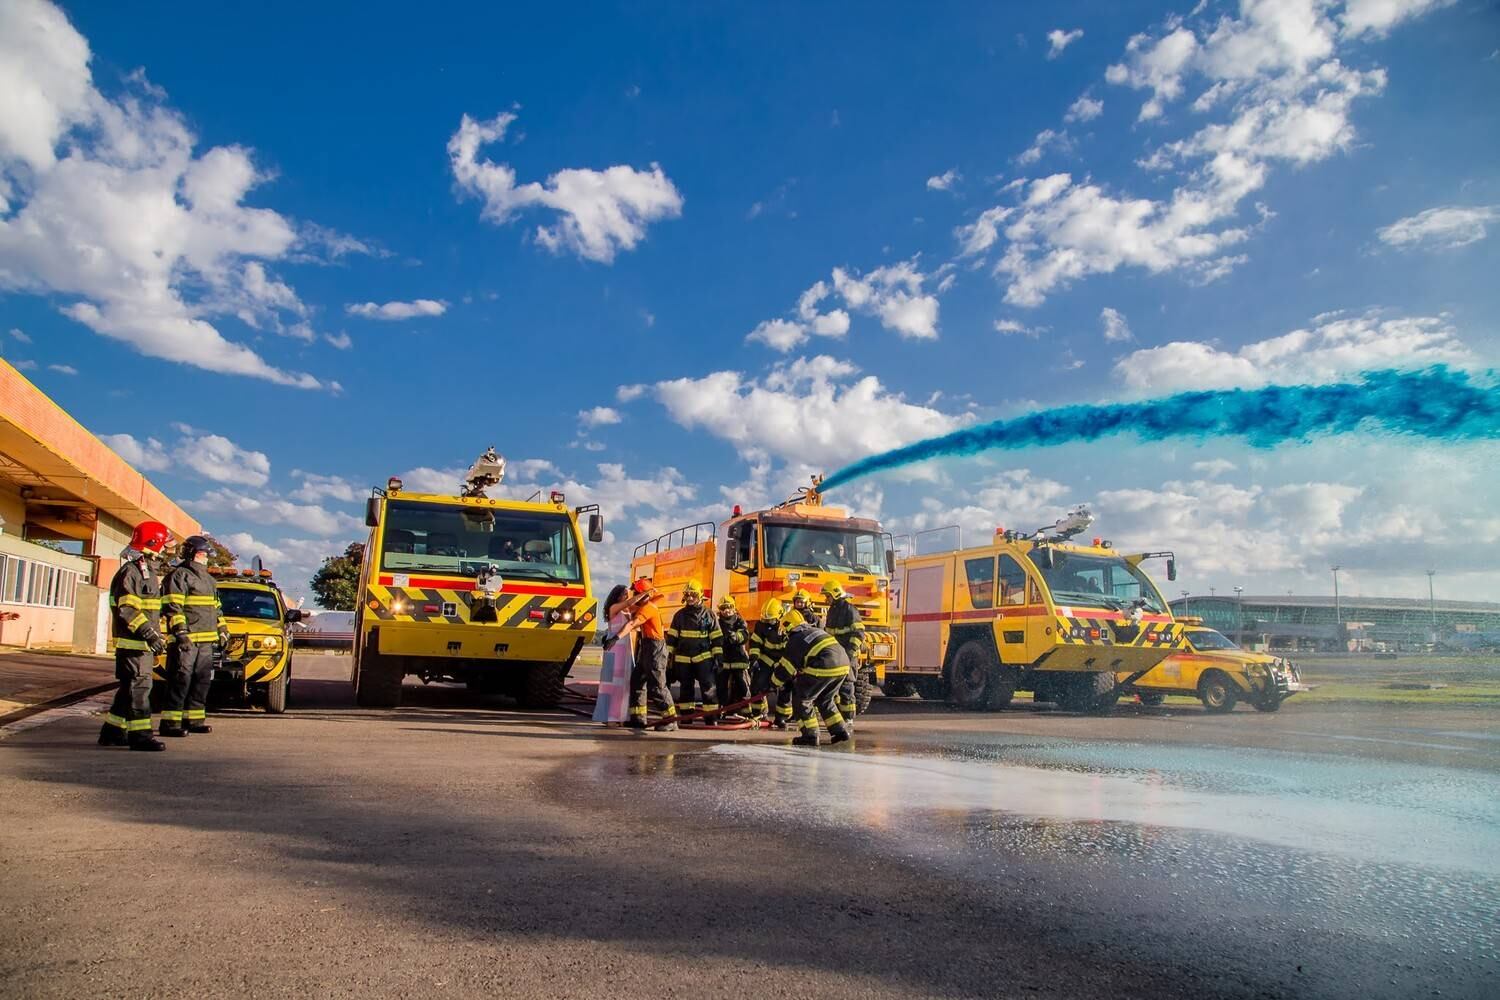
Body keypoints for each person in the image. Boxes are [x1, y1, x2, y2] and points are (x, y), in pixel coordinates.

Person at [99, 521, 171, 751]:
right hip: (135, 643)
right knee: (140, 689)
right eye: (164, 544)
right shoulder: (133, 572)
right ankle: (140, 735)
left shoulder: (146, 571)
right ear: (153, 543)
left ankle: (112, 730)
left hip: (140, 643)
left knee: (129, 688)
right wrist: (150, 634)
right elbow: (127, 609)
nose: (166, 549)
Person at [159, 535, 229, 737]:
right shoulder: (179, 576)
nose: (206, 558)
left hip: (206, 642)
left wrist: (223, 630)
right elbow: (173, 607)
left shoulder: (209, 580)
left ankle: (195, 720)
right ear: (195, 553)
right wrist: (180, 633)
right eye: (204, 554)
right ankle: (170, 724)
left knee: (202, 680)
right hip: (186, 640)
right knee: (180, 679)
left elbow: (216, 609)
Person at [771, 609, 853, 747]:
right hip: (844, 665)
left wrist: (774, 683)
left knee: (802, 699)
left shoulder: (796, 639)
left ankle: (810, 735)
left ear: (788, 627)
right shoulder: (816, 631)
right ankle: (840, 731)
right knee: (825, 699)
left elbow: (785, 669)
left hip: (825, 666)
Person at [665, 579, 722, 723]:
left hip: (704, 658)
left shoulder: (709, 614)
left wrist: (718, 657)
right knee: (686, 688)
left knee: (709, 687)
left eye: (693, 595)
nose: (690, 598)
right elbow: (672, 639)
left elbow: (716, 638)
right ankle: (686, 716)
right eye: (688, 594)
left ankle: (711, 717)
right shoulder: (679, 615)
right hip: (683, 659)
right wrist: (667, 658)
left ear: (701, 596)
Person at [625, 579, 677, 731]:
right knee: (637, 681)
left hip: (655, 649)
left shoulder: (647, 608)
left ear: (642, 595)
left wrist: (615, 638)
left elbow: (632, 624)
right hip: (647, 647)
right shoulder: (644, 606)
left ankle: (670, 720)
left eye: (635, 593)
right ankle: (638, 718)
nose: (633, 595)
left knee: (657, 686)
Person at [821, 579, 865, 727]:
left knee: (847, 686)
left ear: (835, 594)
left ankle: (848, 718)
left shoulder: (849, 609)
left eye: (828, 596)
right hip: (835, 654)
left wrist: (851, 651)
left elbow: (859, 633)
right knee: (834, 686)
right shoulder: (833, 609)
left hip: (847, 654)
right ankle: (838, 716)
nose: (826, 599)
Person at [593, 584, 636, 724]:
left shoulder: (627, 610)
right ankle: (609, 716)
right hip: (614, 648)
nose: (627, 596)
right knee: (612, 684)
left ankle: (619, 716)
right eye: (624, 594)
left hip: (625, 649)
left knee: (623, 685)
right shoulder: (614, 608)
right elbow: (630, 602)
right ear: (617, 596)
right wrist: (645, 592)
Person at [748, 598, 788, 728]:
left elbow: (790, 650)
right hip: (766, 659)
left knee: (785, 688)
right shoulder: (761, 625)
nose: (767, 622)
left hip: (783, 661)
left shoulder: (786, 626)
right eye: (765, 619)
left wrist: (782, 666)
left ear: (779, 617)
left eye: (770, 620)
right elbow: (755, 643)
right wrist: (754, 658)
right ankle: (758, 714)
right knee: (757, 685)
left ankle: (782, 718)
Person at [715, 597, 752, 722]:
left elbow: (745, 635)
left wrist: (736, 636)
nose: (726, 611)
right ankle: (722, 710)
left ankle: (746, 712)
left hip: (738, 659)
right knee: (721, 687)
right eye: (723, 608)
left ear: (734, 608)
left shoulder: (739, 621)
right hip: (723, 659)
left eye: (729, 607)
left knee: (743, 685)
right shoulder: (717, 623)